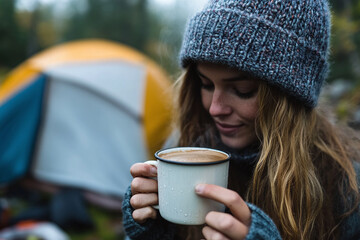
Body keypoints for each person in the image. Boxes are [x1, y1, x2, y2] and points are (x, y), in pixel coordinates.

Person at [122, 0, 360, 239]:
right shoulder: (183, 148)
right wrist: (152, 232)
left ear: (290, 100)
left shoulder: (347, 189)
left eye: (243, 90)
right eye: (205, 84)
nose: (215, 109)